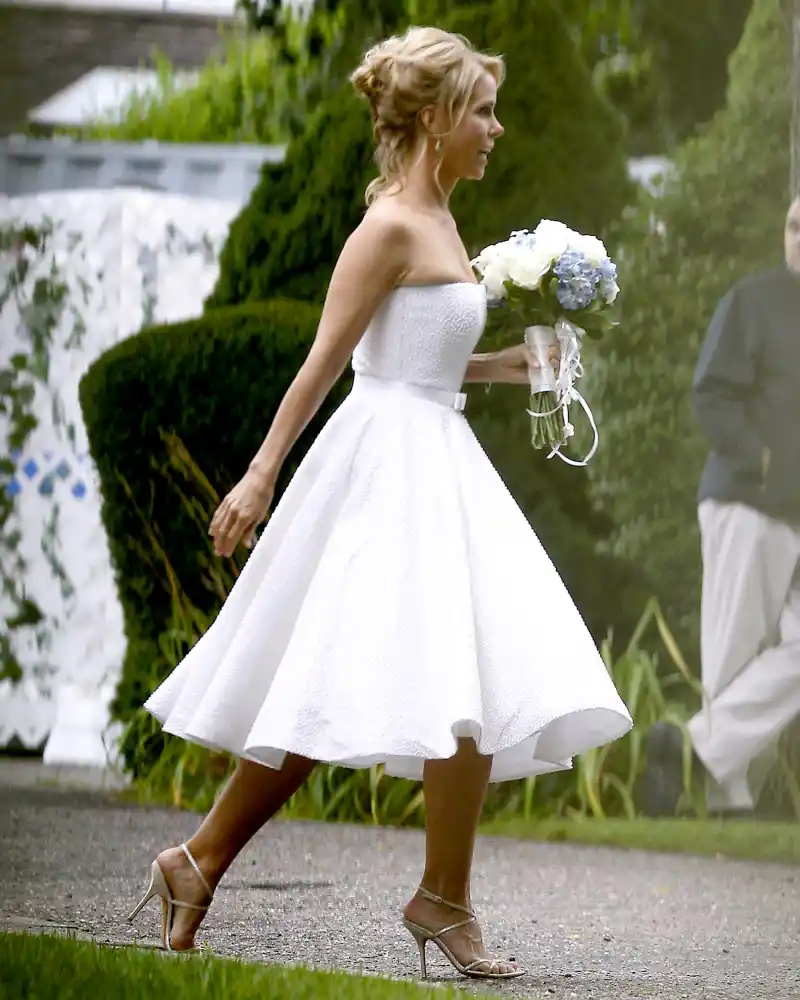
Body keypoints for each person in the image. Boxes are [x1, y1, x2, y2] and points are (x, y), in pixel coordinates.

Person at [126, 26, 632, 980]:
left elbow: (424, 361)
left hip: (440, 458)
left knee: (468, 678)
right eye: (482, 110)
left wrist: (512, 366)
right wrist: (261, 474)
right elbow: (330, 365)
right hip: (384, 477)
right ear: (436, 119)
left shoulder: (441, 220)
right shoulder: (389, 227)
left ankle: (441, 897)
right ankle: (197, 860)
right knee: (336, 687)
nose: (497, 127)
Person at [642, 198, 800, 818]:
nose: (798, 238)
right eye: (792, 224)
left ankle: (692, 749)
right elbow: (711, 391)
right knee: (733, 654)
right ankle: (726, 800)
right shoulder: (753, 302)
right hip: (749, 503)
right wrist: (762, 458)